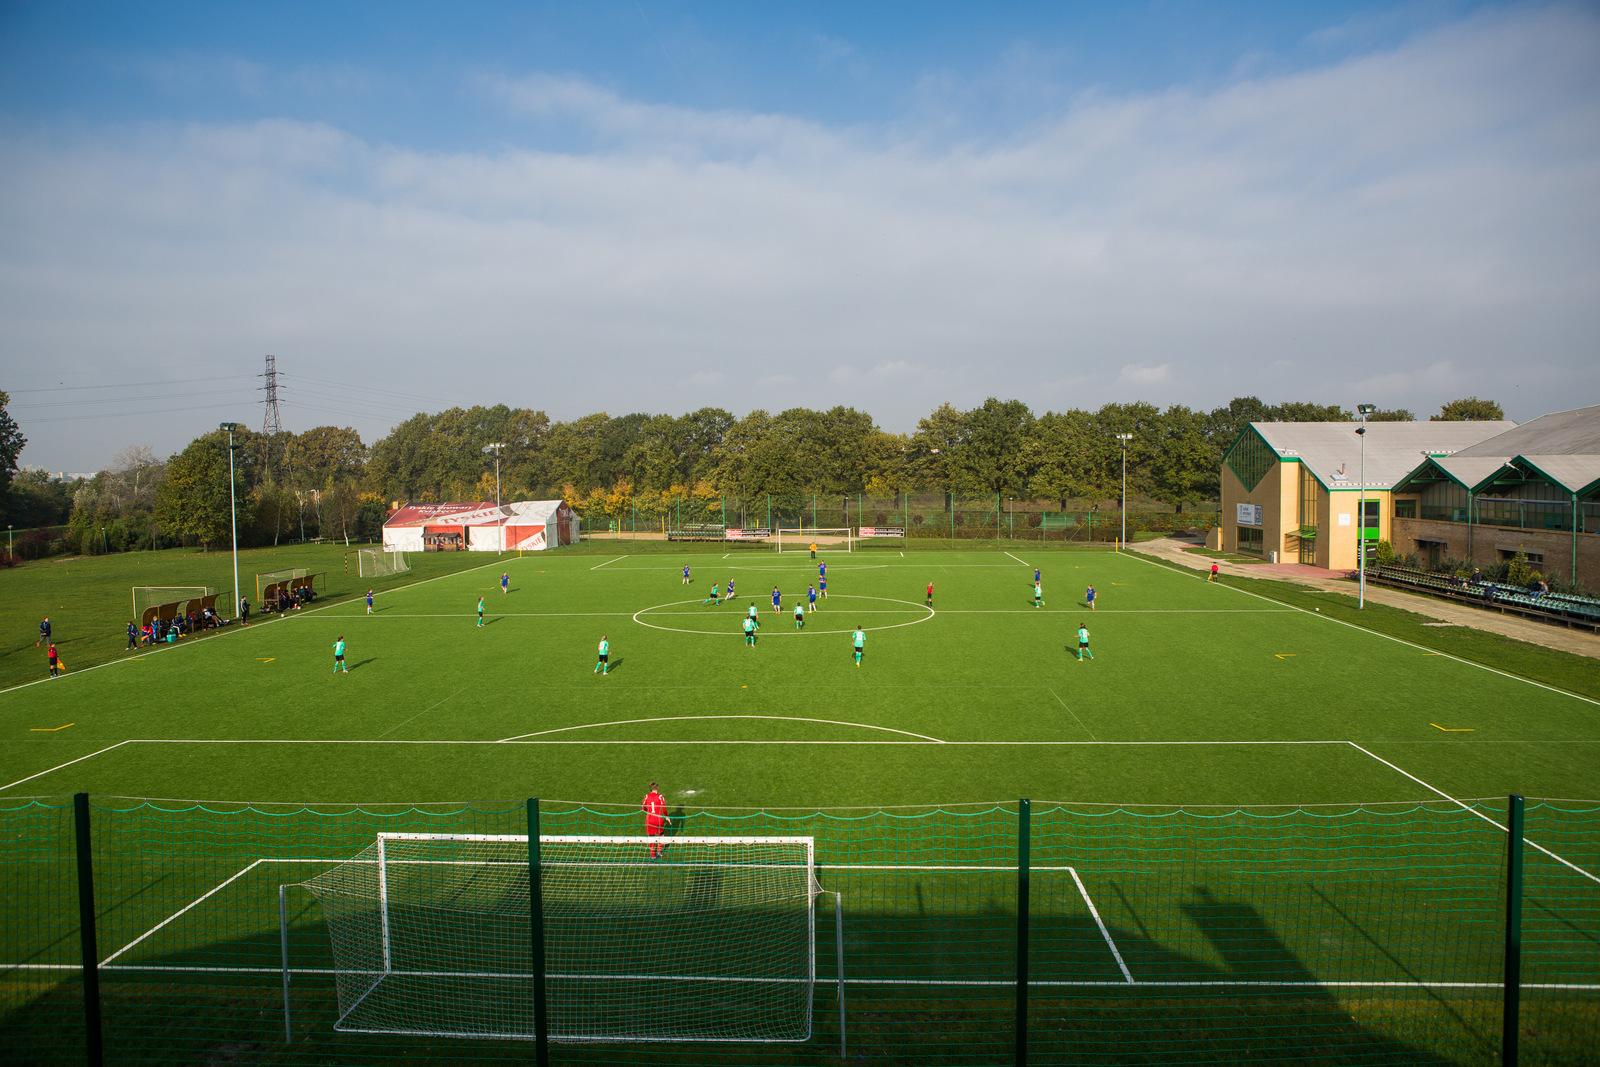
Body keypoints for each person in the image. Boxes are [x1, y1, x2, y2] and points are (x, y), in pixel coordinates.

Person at [642, 782, 671, 859]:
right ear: (657, 788)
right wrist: (667, 817)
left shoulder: (646, 796)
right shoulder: (660, 796)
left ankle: (652, 855)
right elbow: (664, 808)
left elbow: (643, 807)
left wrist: (648, 810)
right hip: (658, 820)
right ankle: (659, 851)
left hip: (649, 820)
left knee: (651, 837)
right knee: (661, 836)